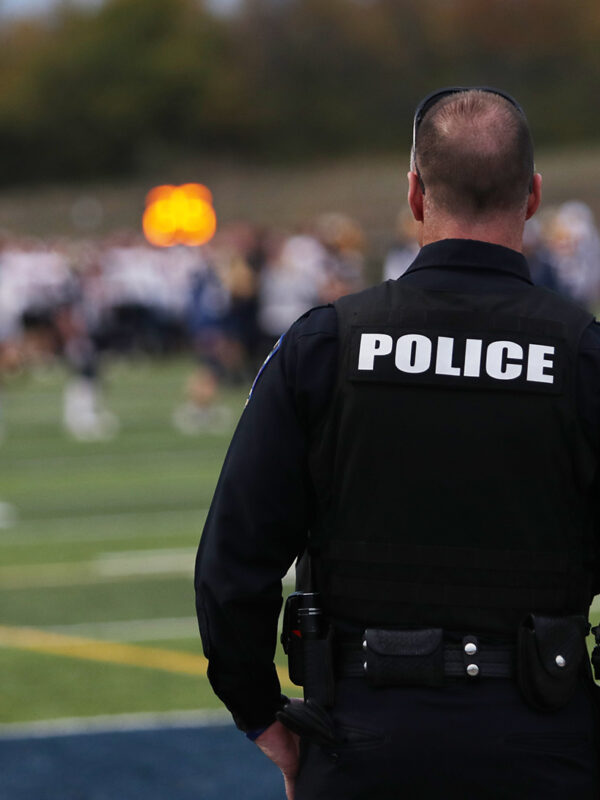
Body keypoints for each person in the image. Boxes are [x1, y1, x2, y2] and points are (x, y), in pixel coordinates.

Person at [195, 88, 600, 799]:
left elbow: (233, 562)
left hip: (360, 736)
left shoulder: (325, 344)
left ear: (415, 194)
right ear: (533, 195)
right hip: (546, 734)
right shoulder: (584, 356)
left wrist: (260, 713)